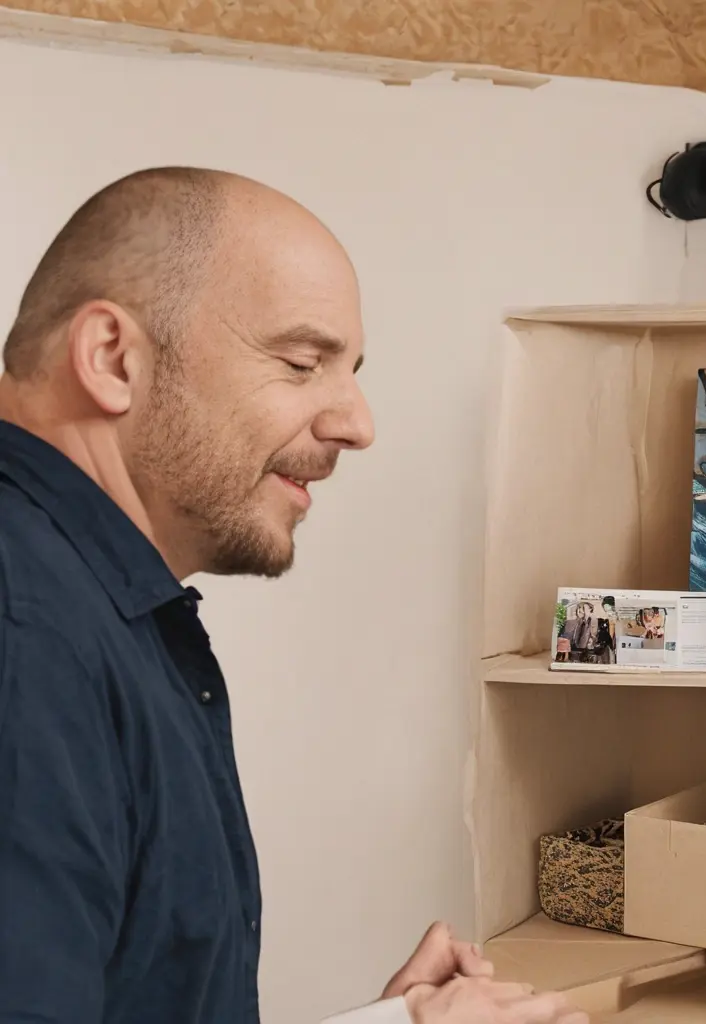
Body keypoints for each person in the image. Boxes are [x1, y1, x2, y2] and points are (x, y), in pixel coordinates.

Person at [0, 168, 587, 1024]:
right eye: (303, 364)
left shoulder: (94, 610)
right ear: (112, 357)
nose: (358, 424)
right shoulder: (27, 636)